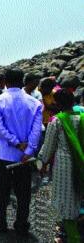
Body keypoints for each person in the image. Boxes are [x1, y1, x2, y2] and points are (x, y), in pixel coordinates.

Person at [0, 68, 43, 236]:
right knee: (23, 193)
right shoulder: (35, 103)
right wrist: (28, 149)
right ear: (22, 82)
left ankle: (0, 223)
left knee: (1, 192)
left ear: (5, 81)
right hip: (25, 158)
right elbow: (37, 131)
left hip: (2, 154)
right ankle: (21, 225)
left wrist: (15, 142)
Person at [38, 89, 83, 243]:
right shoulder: (82, 117)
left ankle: (73, 238)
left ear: (58, 103)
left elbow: (48, 147)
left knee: (67, 203)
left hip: (66, 166)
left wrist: (42, 162)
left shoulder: (56, 121)